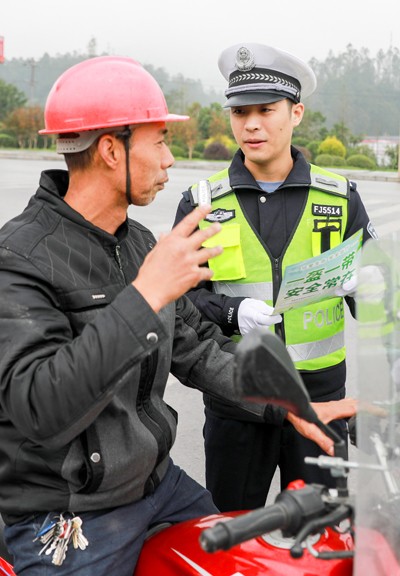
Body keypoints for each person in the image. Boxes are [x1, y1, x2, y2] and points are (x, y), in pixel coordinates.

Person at [0, 55, 357, 575]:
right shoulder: (20, 258)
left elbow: (199, 348)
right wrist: (145, 295)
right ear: (111, 150)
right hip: (69, 512)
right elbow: (39, 406)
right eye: (160, 142)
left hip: (157, 486)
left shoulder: (138, 244)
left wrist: (292, 406)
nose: (170, 160)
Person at [174, 42, 375, 512]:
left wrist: (370, 287)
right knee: (232, 526)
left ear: (296, 112)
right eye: (240, 112)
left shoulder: (340, 198)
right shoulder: (203, 203)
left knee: (319, 532)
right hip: (239, 399)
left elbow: (377, 305)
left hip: (320, 401)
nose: (251, 124)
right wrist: (231, 311)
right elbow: (179, 303)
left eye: (266, 110)